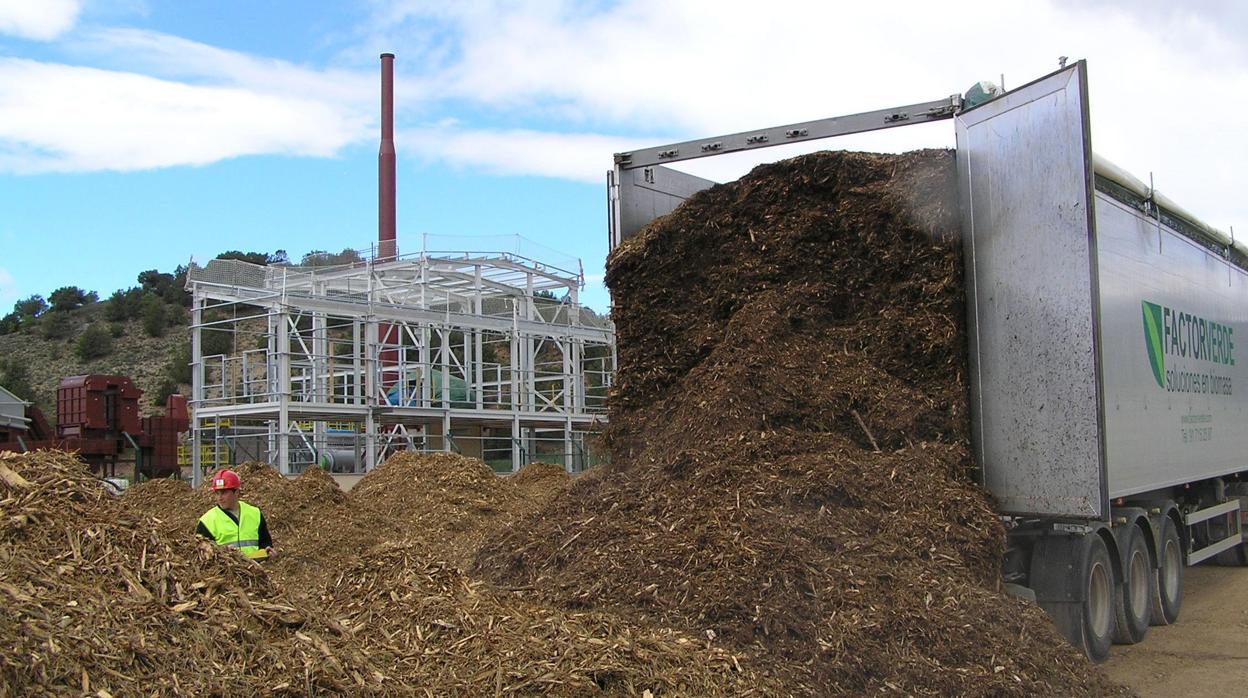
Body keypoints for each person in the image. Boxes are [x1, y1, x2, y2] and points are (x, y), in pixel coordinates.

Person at [195, 469, 276, 561]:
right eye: (217, 493)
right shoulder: (207, 521)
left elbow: (265, 542)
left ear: (236, 492)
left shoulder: (255, 513)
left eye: (224, 492)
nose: (220, 498)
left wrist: (268, 551)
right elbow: (203, 555)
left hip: (255, 570)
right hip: (226, 573)